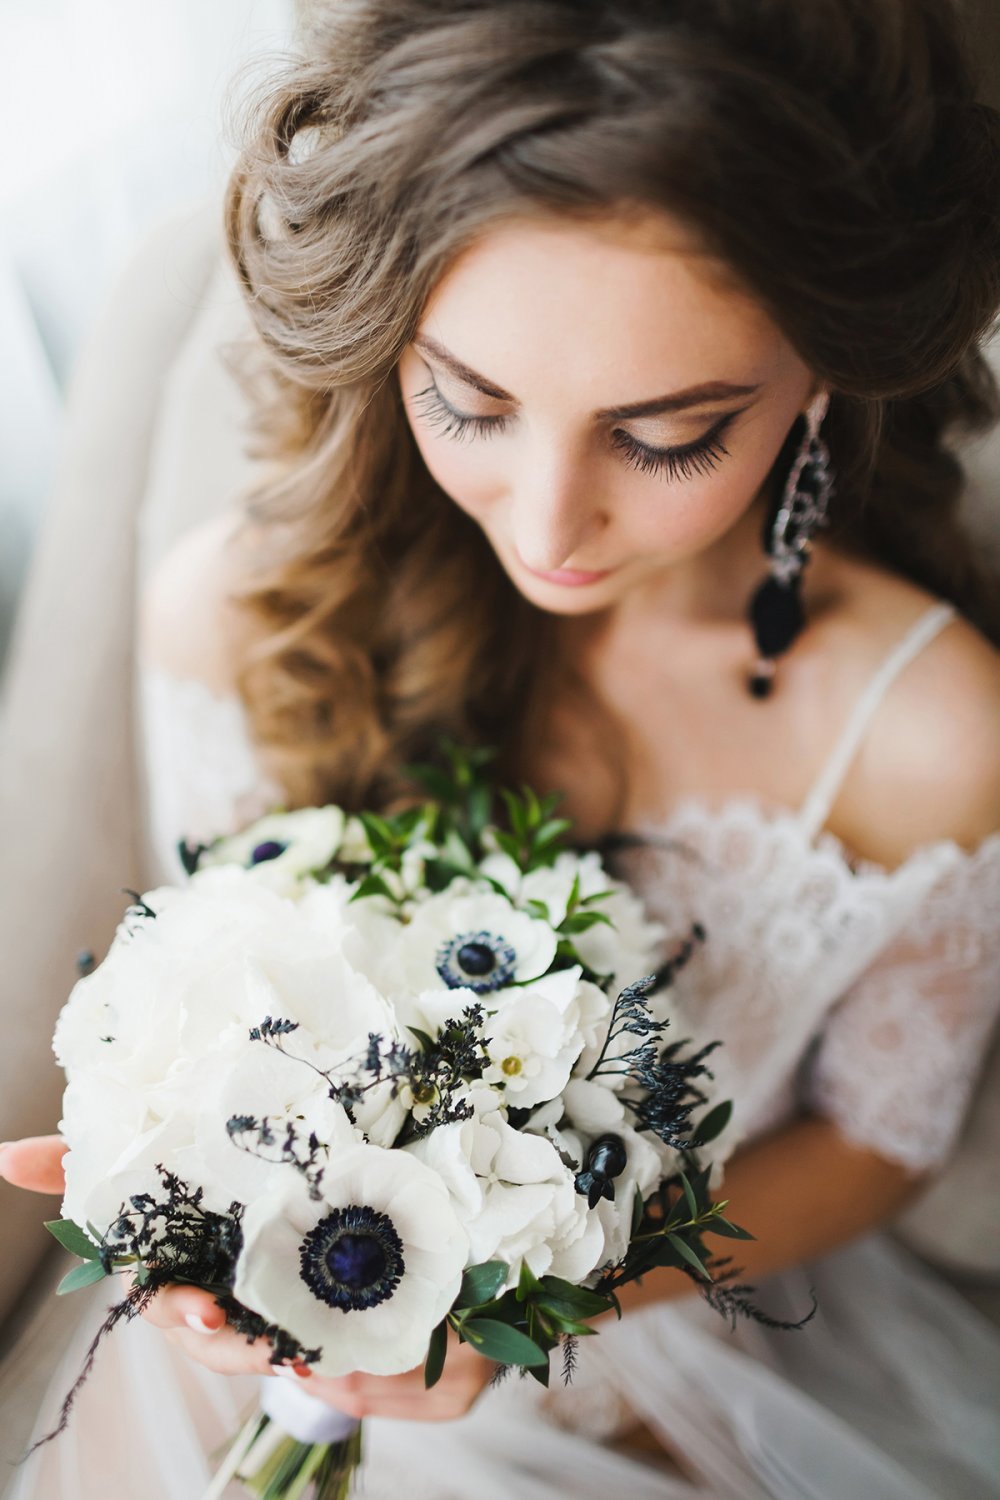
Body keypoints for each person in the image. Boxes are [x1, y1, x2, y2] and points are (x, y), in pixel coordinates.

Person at [2, 0, 1000, 1494]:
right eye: (468, 404)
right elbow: (223, 992)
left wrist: (551, 1292)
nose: (545, 523)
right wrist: (203, 1211)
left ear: (826, 371)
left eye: (665, 436)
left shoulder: (930, 736)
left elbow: (880, 1144)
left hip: (676, 1363)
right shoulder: (242, 614)